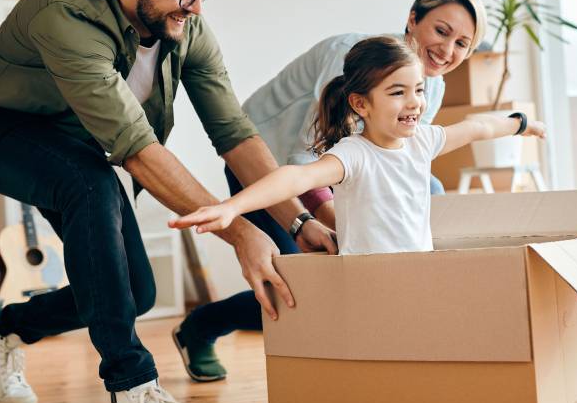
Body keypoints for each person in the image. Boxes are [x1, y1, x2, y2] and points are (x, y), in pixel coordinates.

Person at [0, 0, 335, 403]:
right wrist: (240, 232)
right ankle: (135, 397)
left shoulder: (185, 25)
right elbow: (135, 150)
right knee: (90, 183)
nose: (195, 6)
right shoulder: (65, 13)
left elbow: (235, 133)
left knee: (136, 293)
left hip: (73, 142)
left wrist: (298, 219)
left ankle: (4, 329)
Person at [171, 0, 488, 380]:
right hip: (266, 164)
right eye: (441, 31)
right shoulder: (349, 57)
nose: (447, 51)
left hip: (330, 172)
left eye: (463, 43)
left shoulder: (432, 84)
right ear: (413, 19)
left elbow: (402, 159)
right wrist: (331, 217)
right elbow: (310, 153)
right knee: (297, 286)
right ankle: (200, 327)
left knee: (432, 194)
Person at [171, 37, 546, 256]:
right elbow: (293, 179)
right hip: (368, 281)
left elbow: (476, 127)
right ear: (360, 104)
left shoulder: (422, 141)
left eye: (418, 90)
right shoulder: (354, 155)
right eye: (397, 93)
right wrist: (231, 207)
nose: (414, 101)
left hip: (417, 275)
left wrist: (520, 125)